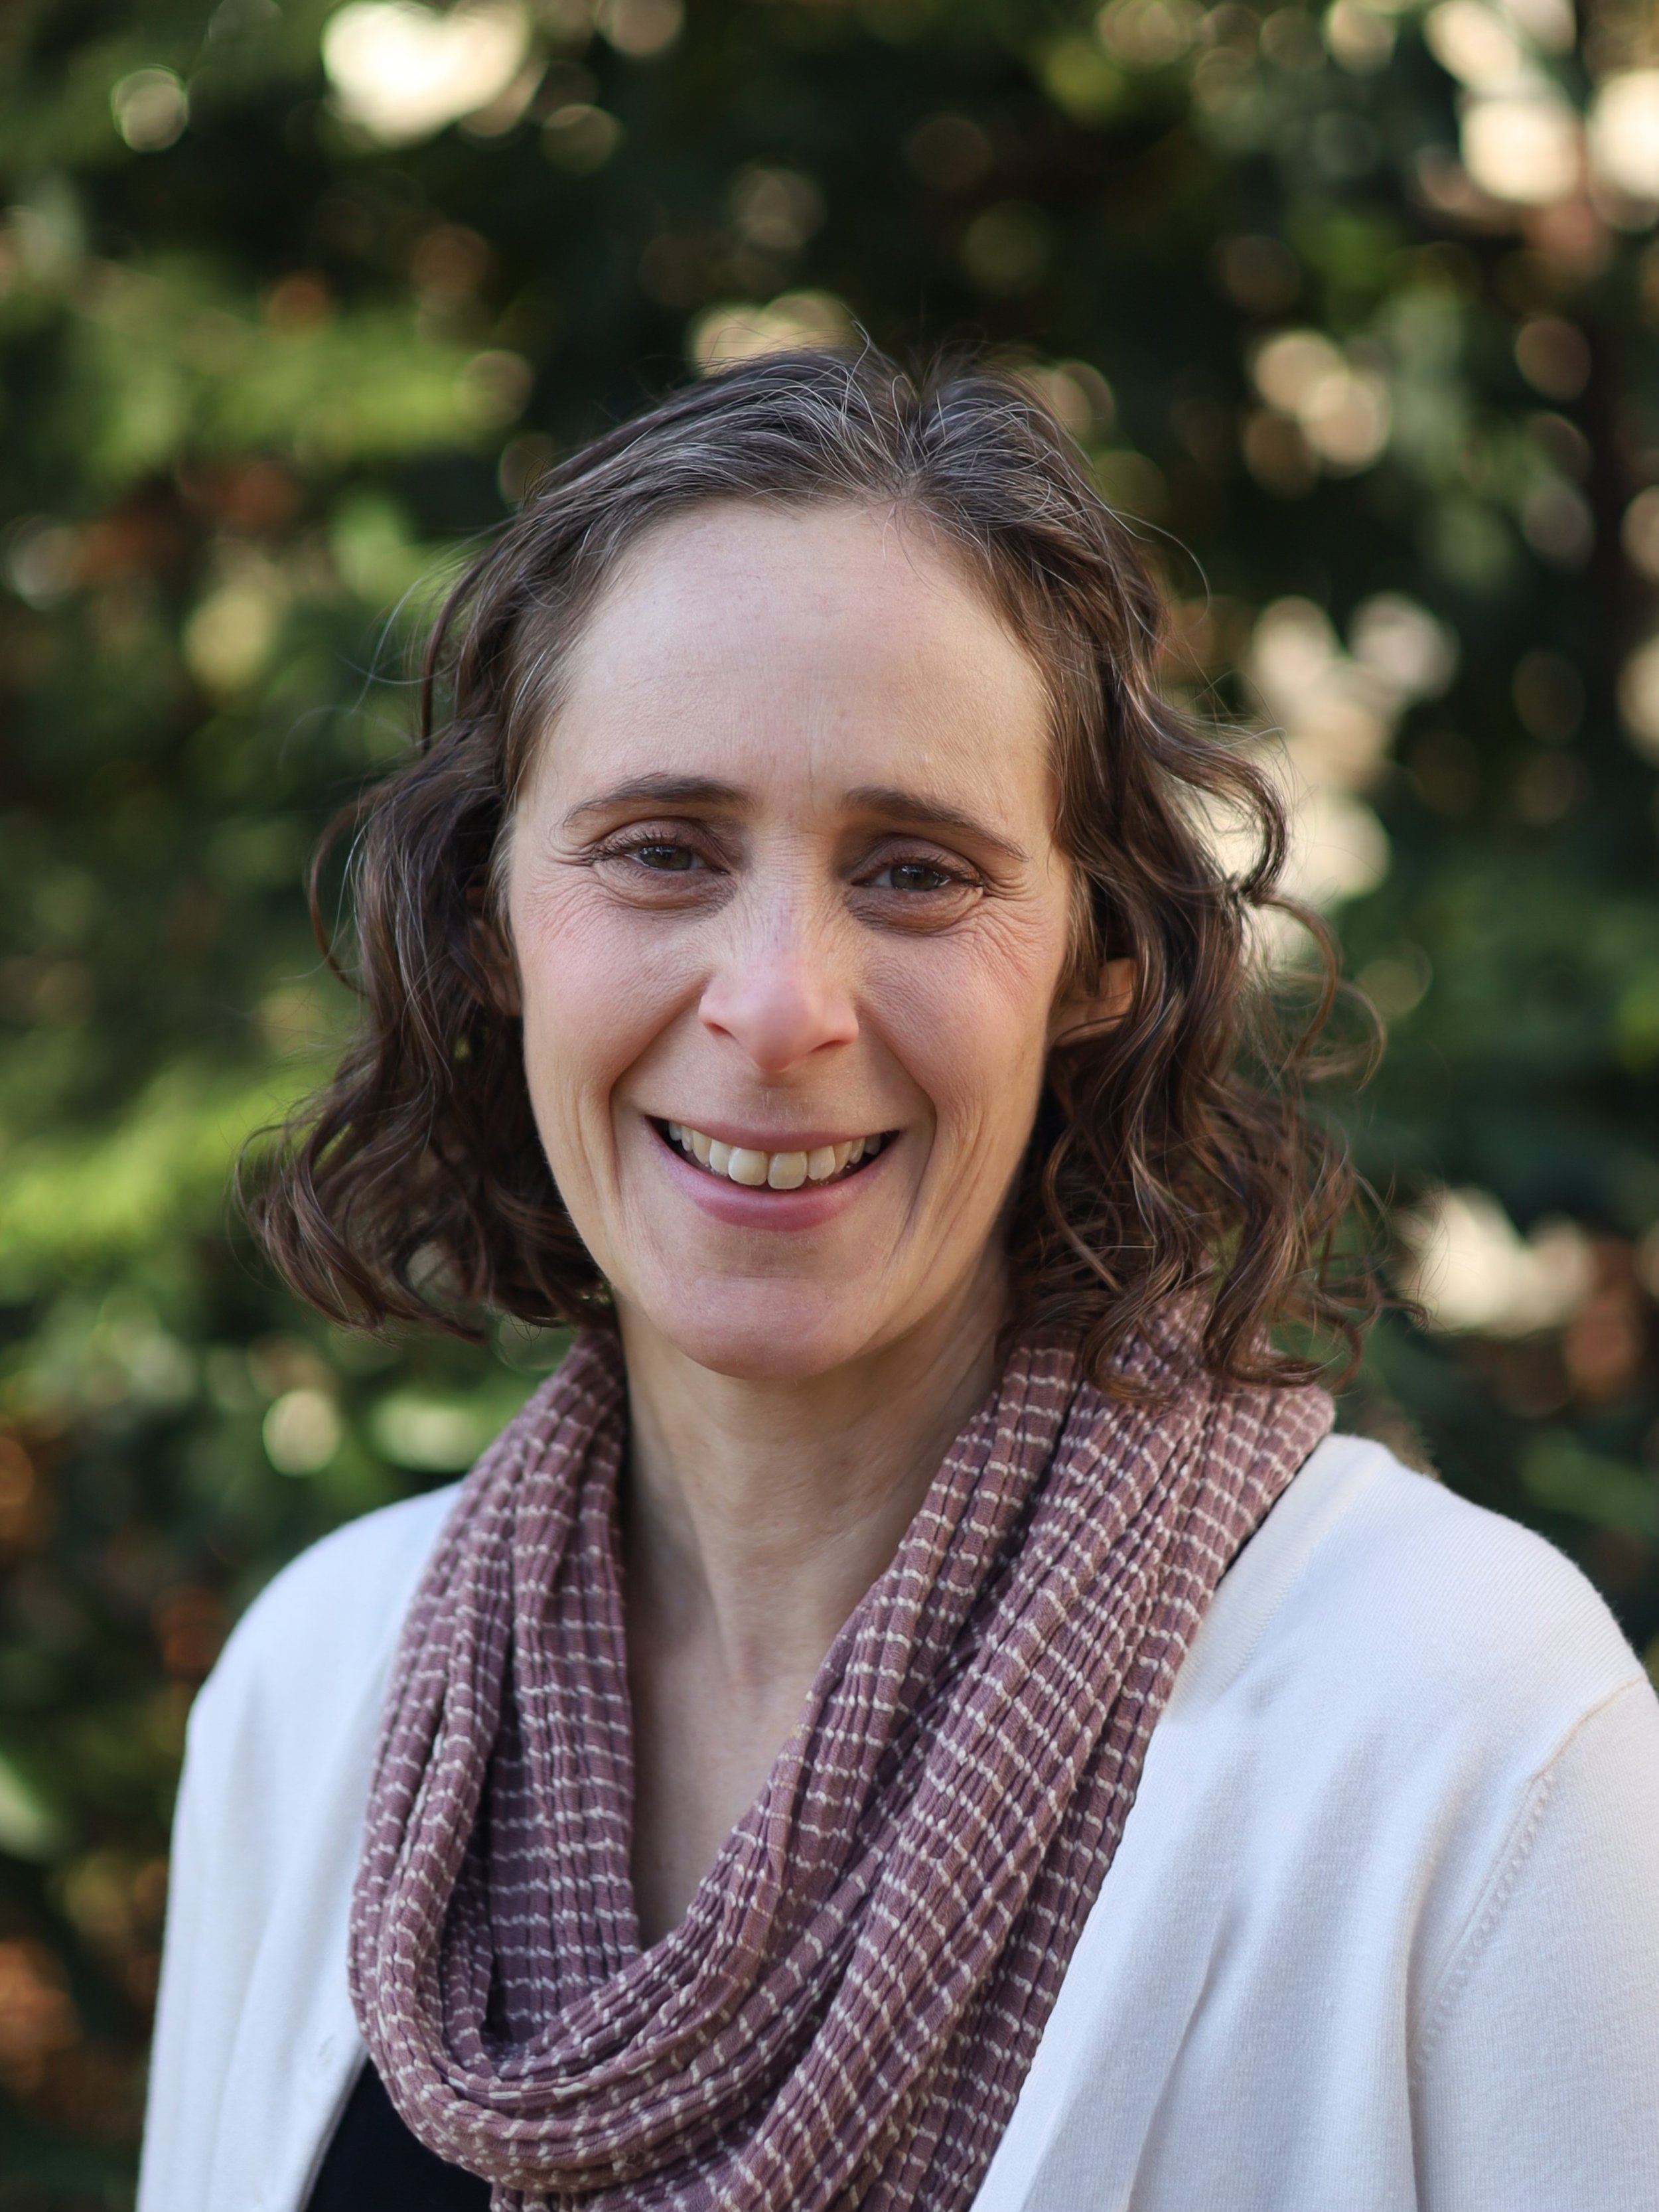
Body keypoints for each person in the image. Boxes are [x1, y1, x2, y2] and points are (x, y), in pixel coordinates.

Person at [139, 350, 1659, 2212]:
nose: (779, 1004)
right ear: (492, 921)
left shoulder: (1459, 1736)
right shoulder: (329, 1690)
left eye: (917, 872)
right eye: (661, 852)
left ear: (1098, 962)